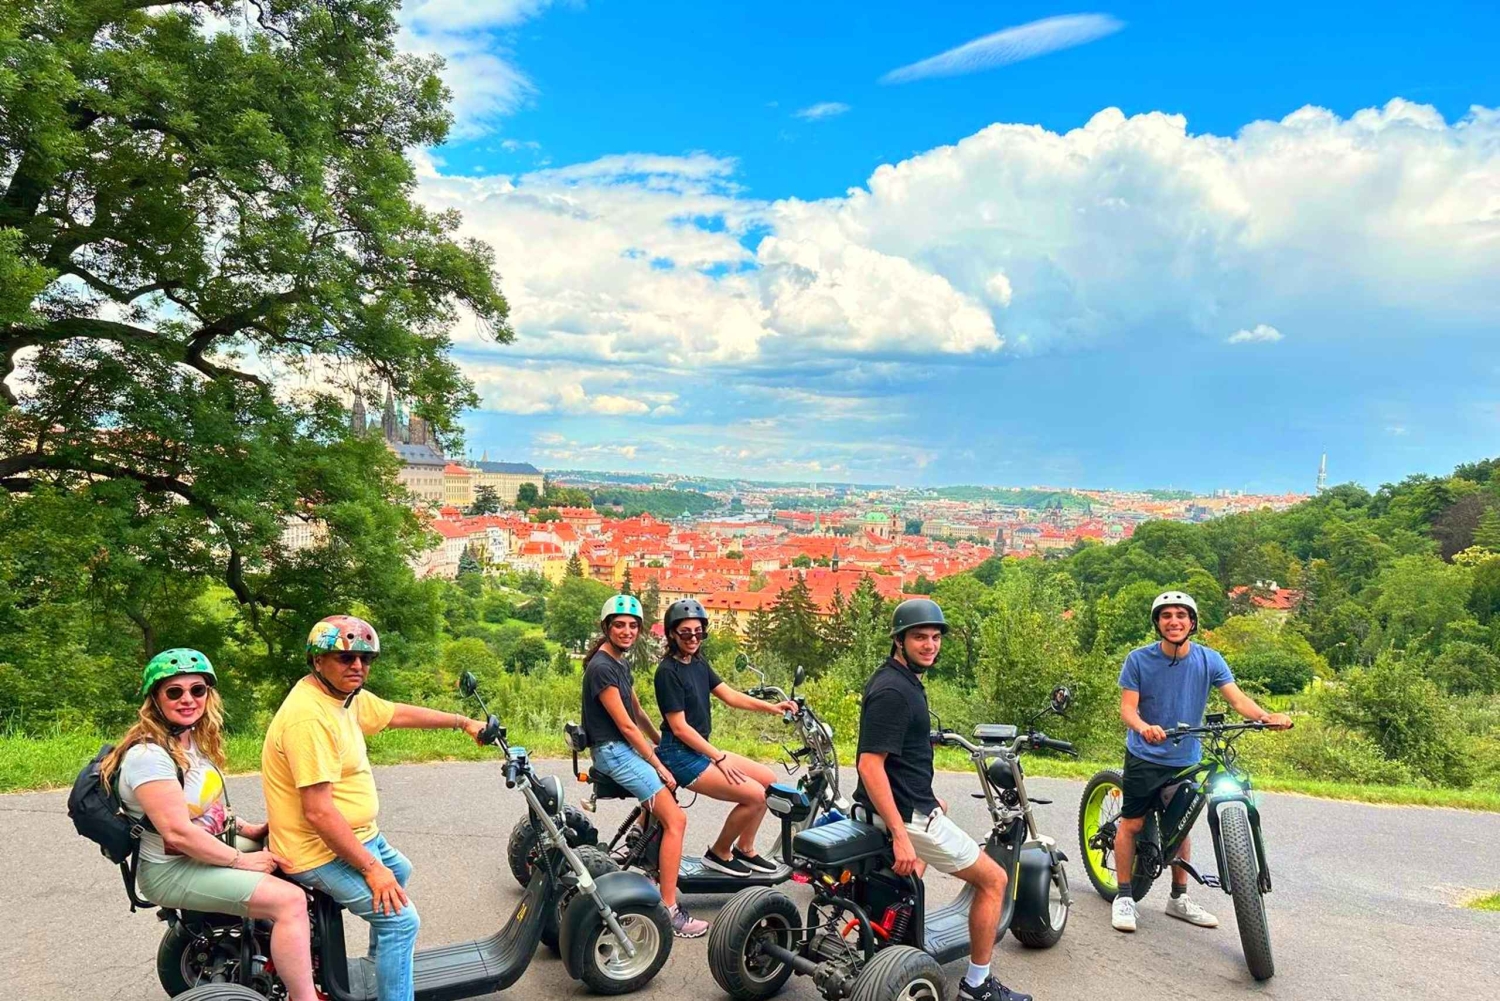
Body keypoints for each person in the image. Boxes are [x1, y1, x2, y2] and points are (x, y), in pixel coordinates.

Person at [261, 615, 486, 1001]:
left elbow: (395, 714)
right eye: (345, 658)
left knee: (399, 869)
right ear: (318, 661)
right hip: (314, 850)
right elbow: (318, 813)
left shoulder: (344, 698)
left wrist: (462, 722)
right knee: (401, 922)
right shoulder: (309, 718)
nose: (358, 667)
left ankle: (378, 967)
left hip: (356, 836)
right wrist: (370, 868)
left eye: (366, 659)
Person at [101, 649, 319, 1001]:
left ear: (208, 694)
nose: (188, 699)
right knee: (290, 901)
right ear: (155, 698)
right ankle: (304, 996)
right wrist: (242, 860)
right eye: (174, 692)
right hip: (171, 869)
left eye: (197, 690)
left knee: (286, 854)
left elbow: (203, 808)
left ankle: (284, 946)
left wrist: (249, 830)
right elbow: (178, 832)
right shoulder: (149, 756)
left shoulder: (186, 742)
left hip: (192, 855)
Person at [854, 599, 1034, 1001]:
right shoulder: (894, 692)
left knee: (944, 807)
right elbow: (869, 765)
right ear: (899, 641)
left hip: (900, 805)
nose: (930, 645)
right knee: (994, 880)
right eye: (920, 637)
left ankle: (899, 922)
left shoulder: (897, 680)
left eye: (935, 638)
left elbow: (893, 756)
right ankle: (978, 985)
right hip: (906, 816)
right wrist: (900, 834)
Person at [1110, 591, 1293, 934]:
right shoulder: (1138, 660)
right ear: (1158, 623)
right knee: (1132, 825)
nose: (1174, 621)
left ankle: (1178, 898)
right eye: (1166, 616)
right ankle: (1123, 896)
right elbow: (1127, 709)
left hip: (1186, 758)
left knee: (1181, 826)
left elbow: (1237, 700)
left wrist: (1266, 716)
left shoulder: (1210, 660)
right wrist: (1143, 727)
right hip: (1146, 756)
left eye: (1181, 615)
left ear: (1192, 623)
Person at [581, 593, 708, 938]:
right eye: (619, 625)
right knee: (677, 820)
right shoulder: (603, 668)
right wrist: (658, 763)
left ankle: (645, 844)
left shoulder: (618, 662)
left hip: (621, 747)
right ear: (606, 627)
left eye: (633, 626)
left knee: (665, 798)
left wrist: (660, 742)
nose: (627, 631)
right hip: (612, 750)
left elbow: (636, 711)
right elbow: (624, 726)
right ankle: (669, 909)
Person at [653, 598, 797, 877]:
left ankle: (746, 847)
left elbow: (729, 695)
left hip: (699, 750)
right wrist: (718, 757)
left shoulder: (697, 662)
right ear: (672, 634)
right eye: (686, 632)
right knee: (755, 796)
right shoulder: (667, 672)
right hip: (679, 755)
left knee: (769, 781)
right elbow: (680, 727)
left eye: (699, 632)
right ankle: (719, 852)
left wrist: (773, 708)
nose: (693, 638)